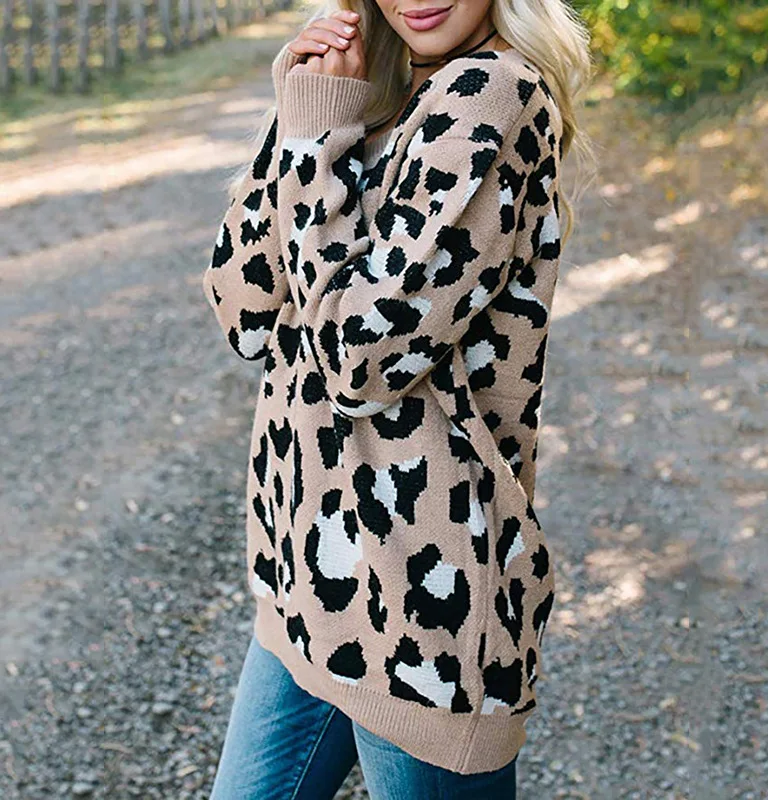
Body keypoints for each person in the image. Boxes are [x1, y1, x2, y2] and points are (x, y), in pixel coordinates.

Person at [202, 0, 592, 797]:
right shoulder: (373, 94)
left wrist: (314, 144)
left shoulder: (494, 94)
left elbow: (360, 360)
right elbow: (245, 313)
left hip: (421, 609)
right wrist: (297, 117)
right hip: (309, 583)